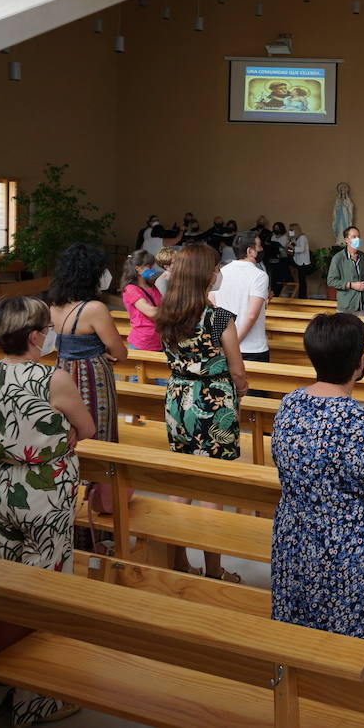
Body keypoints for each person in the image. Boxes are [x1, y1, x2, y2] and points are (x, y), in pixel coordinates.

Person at [271, 313, 364, 699]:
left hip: (294, 540)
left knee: (301, 633)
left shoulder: (289, 406)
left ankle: (302, 704)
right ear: (359, 362)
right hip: (350, 552)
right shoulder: (362, 423)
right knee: (360, 645)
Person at [0, 296, 95, 726]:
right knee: (44, 592)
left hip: (2, 485)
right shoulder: (53, 378)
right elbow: (88, 428)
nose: (50, 334)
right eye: (46, 328)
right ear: (33, 335)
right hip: (45, 489)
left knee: (4, 586)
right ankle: (35, 703)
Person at [155, 244, 248, 580]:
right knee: (212, 487)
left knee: (181, 482)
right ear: (205, 275)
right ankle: (213, 570)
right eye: (215, 266)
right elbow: (237, 371)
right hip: (214, 401)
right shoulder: (218, 317)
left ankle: (177, 560)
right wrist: (239, 392)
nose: (218, 271)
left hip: (178, 398)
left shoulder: (167, 313)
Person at [47, 244, 126, 451]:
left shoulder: (54, 305)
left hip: (62, 370)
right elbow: (120, 353)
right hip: (92, 375)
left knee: (68, 428)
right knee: (98, 430)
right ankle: (99, 480)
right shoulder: (94, 308)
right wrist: (104, 353)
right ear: (92, 275)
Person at [214, 232, 271, 363]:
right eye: (259, 246)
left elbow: (212, 304)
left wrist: (225, 343)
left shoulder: (221, 272)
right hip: (252, 348)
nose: (262, 249)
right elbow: (251, 315)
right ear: (250, 251)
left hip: (223, 343)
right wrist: (234, 343)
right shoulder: (259, 275)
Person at [121, 250, 163, 352]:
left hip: (159, 341)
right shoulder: (130, 289)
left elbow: (164, 305)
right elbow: (151, 312)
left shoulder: (152, 287)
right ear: (138, 269)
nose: (152, 269)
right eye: (149, 266)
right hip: (143, 342)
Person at [328, 226, 364, 313]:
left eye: (358, 236)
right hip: (346, 306)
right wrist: (351, 285)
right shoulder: (338, 258)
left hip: (363, 304)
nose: (357, 239)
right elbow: (331, 281)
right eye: (354, 237)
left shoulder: (363, 256)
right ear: (347, 240)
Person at [288, 223, 312, 298]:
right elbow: (291, 250)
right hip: (298, 261)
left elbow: (302, 249)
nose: (290, 231)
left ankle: (303, 296)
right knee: (300, 280)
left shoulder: (302, 237)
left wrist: (292, 247)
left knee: (302, 280)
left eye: (292, 230)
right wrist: (290, 241)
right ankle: (301, 295)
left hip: (303, 262)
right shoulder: (294, 239)